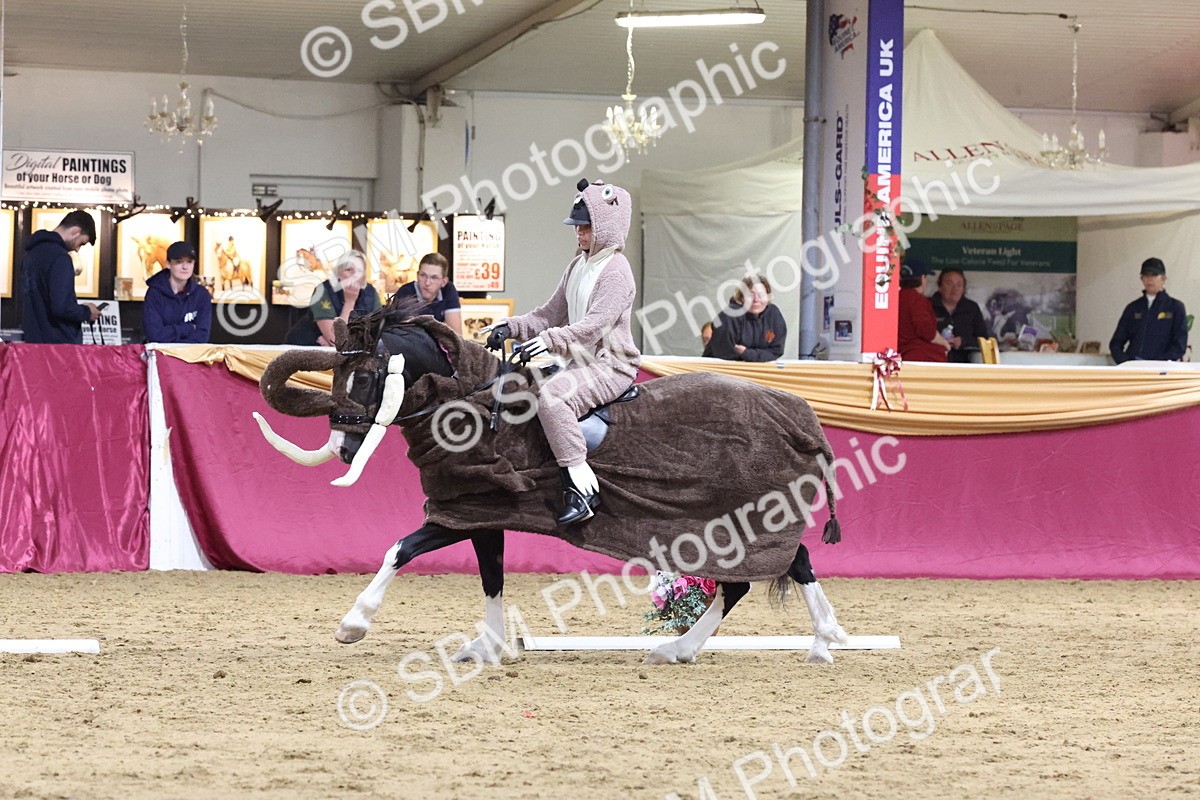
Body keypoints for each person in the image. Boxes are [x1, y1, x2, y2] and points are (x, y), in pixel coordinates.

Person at [486, 178, 640, 527]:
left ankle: (582, 489)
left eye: (585, 227)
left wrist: (551, 342)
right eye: (578, 227)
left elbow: (595, 326)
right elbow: (547, 315)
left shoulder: (617, 271)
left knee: (554, 396)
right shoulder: (577, 266)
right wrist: (511, 327)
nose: (579, 234)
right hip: (576, 361)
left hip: (611, 365)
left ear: (607, 226)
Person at [20, 209, 101, 343]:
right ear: (75, 231)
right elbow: (61, 307)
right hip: (59, 346)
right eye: (81, 243)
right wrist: (87, 312)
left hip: (33, 342)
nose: (77, 249)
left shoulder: (30, 255)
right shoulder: (60, 258)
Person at [285, 250, 381, 346]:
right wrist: (349, 302)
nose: (355, 275)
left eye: (360, 271)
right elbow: (337, 340)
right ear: (338, 273)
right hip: (302, 348)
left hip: (345, 353)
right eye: (348, 270)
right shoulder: (323, 290)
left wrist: (344, 342)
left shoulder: (371, 293)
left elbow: (376, 335)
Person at [1109, 257, 1189, 363]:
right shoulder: (1133, 308)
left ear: (1163, 278)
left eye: (1154, 275)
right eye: (1146, 275)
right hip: (1133, 370)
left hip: (1162, 371)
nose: (1150, 279)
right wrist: (1126, 363)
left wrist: (1160, 364)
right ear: (1141, 278)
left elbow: (1180, 344)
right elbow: (1116, 342)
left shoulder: (1176, 307)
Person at [702, 275, 786, 361]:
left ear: (768, 297)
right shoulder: (730, 315)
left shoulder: (774, 314)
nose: (756, 299)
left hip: (752, 370)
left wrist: (746, 353)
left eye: (761, 294)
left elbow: (776, 351)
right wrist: (758, 356)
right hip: (717, 369)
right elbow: (724, 353)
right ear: (741, 297)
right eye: (750, 294)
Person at [142, 241, 212, 343]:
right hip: (161, 356)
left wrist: (170, 333)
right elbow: (155, 335)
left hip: (191, 357)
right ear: (168, 264)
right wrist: (188, 328)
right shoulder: (154, 294)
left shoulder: (202, 295)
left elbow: (202, 338)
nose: (185, 267)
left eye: (189, 262)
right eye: (179, 262)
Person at [394, 252, 463, 336]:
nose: (427, 283)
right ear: (417, 275)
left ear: (444, 282)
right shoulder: (405, 293)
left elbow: (456, 335)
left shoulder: (448, 290)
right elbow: (404, 336)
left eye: (434, 277)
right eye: (423, 275)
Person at [931, 268, 989, 363]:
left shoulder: (971, 308)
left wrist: (963, 342)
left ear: (964, 289)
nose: (955, 289)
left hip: (965, 364)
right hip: (934, 362)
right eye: (949, 284)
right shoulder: (928, 305)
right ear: (940, 287)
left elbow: (984, 341)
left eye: (959, 285)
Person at [897, 259, 950, 362]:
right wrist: (945, 344)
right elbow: (927, 331)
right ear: (922, 278)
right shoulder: (917, 300)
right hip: (921, 356)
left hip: (900, 355)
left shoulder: (896, 297)